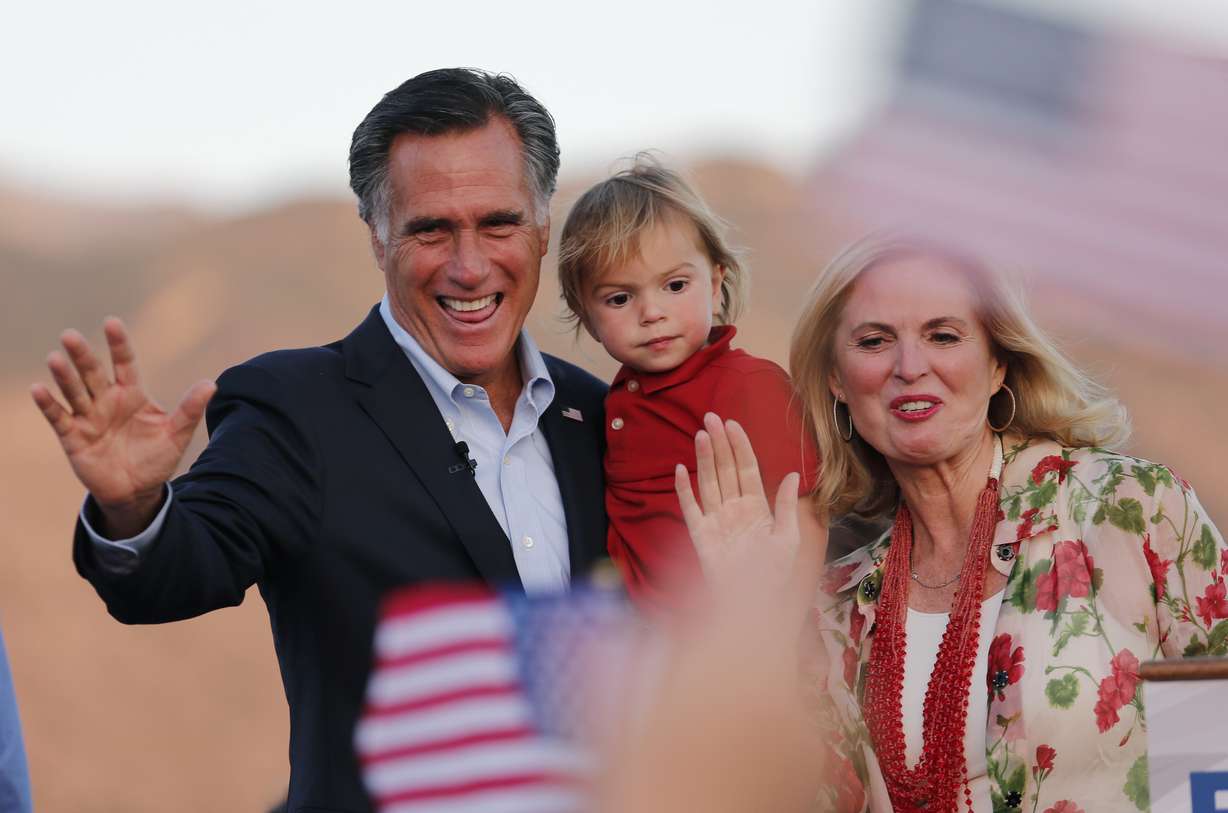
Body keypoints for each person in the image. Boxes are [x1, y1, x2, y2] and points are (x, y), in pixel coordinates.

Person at [29, 68, 609, 813]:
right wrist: (136, 509)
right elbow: (177, 571)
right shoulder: (296, 408)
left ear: (541, 225)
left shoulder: (599, 416)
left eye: (497, 222)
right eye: (431, 229)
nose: (469, 265)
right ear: (376, 235)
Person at [679, 234, 1228, 812]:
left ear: (997, 364)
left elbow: (1218, 753)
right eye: (873, 341)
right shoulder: (835, 605)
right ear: (836, 381)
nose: (910, 367)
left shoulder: (1127, 505)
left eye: (943, 336)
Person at [556, 156, 822, 609]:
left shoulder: (750, 385)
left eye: (675, 286)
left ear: (716, 284)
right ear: (588, 317)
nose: (652, 312)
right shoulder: (609, 403)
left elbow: (806, 520)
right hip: (640, 648)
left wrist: (776, 630)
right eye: (620, 298)